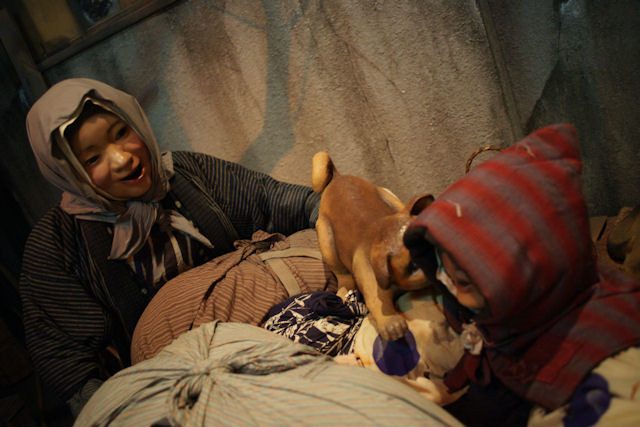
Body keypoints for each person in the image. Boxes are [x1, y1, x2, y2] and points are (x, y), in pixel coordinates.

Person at [20, 78, 321, 416]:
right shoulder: (55, 246)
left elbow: (276, 200)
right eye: (92, 159)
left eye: (121, 132)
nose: (122, 159)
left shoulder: (187, 173)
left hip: (270, 331)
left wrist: (333, 209)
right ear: (67, 173)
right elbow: (67, 364)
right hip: (171, 393)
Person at [403, 124, 640, 425]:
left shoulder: (607, 375)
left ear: (534, 253)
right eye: (441, 249)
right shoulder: (512, 323)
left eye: (477, 247)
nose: (450, 266)